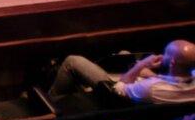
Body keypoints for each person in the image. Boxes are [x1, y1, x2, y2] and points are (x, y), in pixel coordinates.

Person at [51, 39, 195, 106]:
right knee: (124, 54)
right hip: (144, 90)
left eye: (166, 54)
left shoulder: (151, 87)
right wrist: (154, 76)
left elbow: (118, 89)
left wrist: (141, 66)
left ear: (172, 63)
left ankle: (51, 103)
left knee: (73, 60)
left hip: (117, 97)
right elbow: (172, 86)